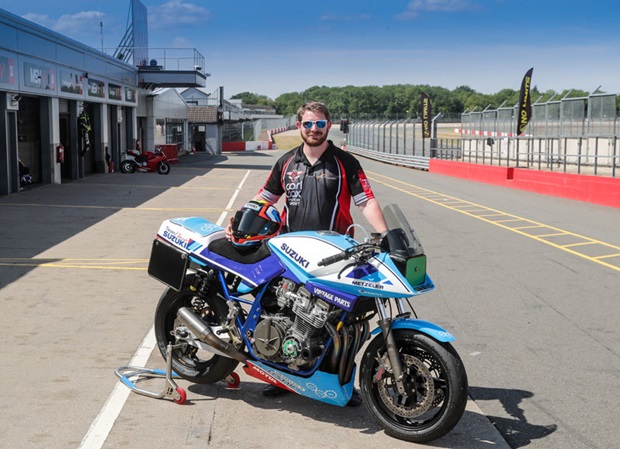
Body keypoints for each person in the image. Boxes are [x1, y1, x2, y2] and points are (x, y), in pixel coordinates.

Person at [227, 101, 389, 406]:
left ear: (329, 125)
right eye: (308, 124)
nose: (313, 129)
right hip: (289, 251)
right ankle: (281, 375)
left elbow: (365, 201)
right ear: (298, 126)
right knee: (282, 313)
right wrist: (237, 222)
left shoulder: (345, 162)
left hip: (336, 253)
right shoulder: (286, 162)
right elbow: (265, 197)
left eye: (319, 124)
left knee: (339, 322)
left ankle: (341, 383)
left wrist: (385, 235)